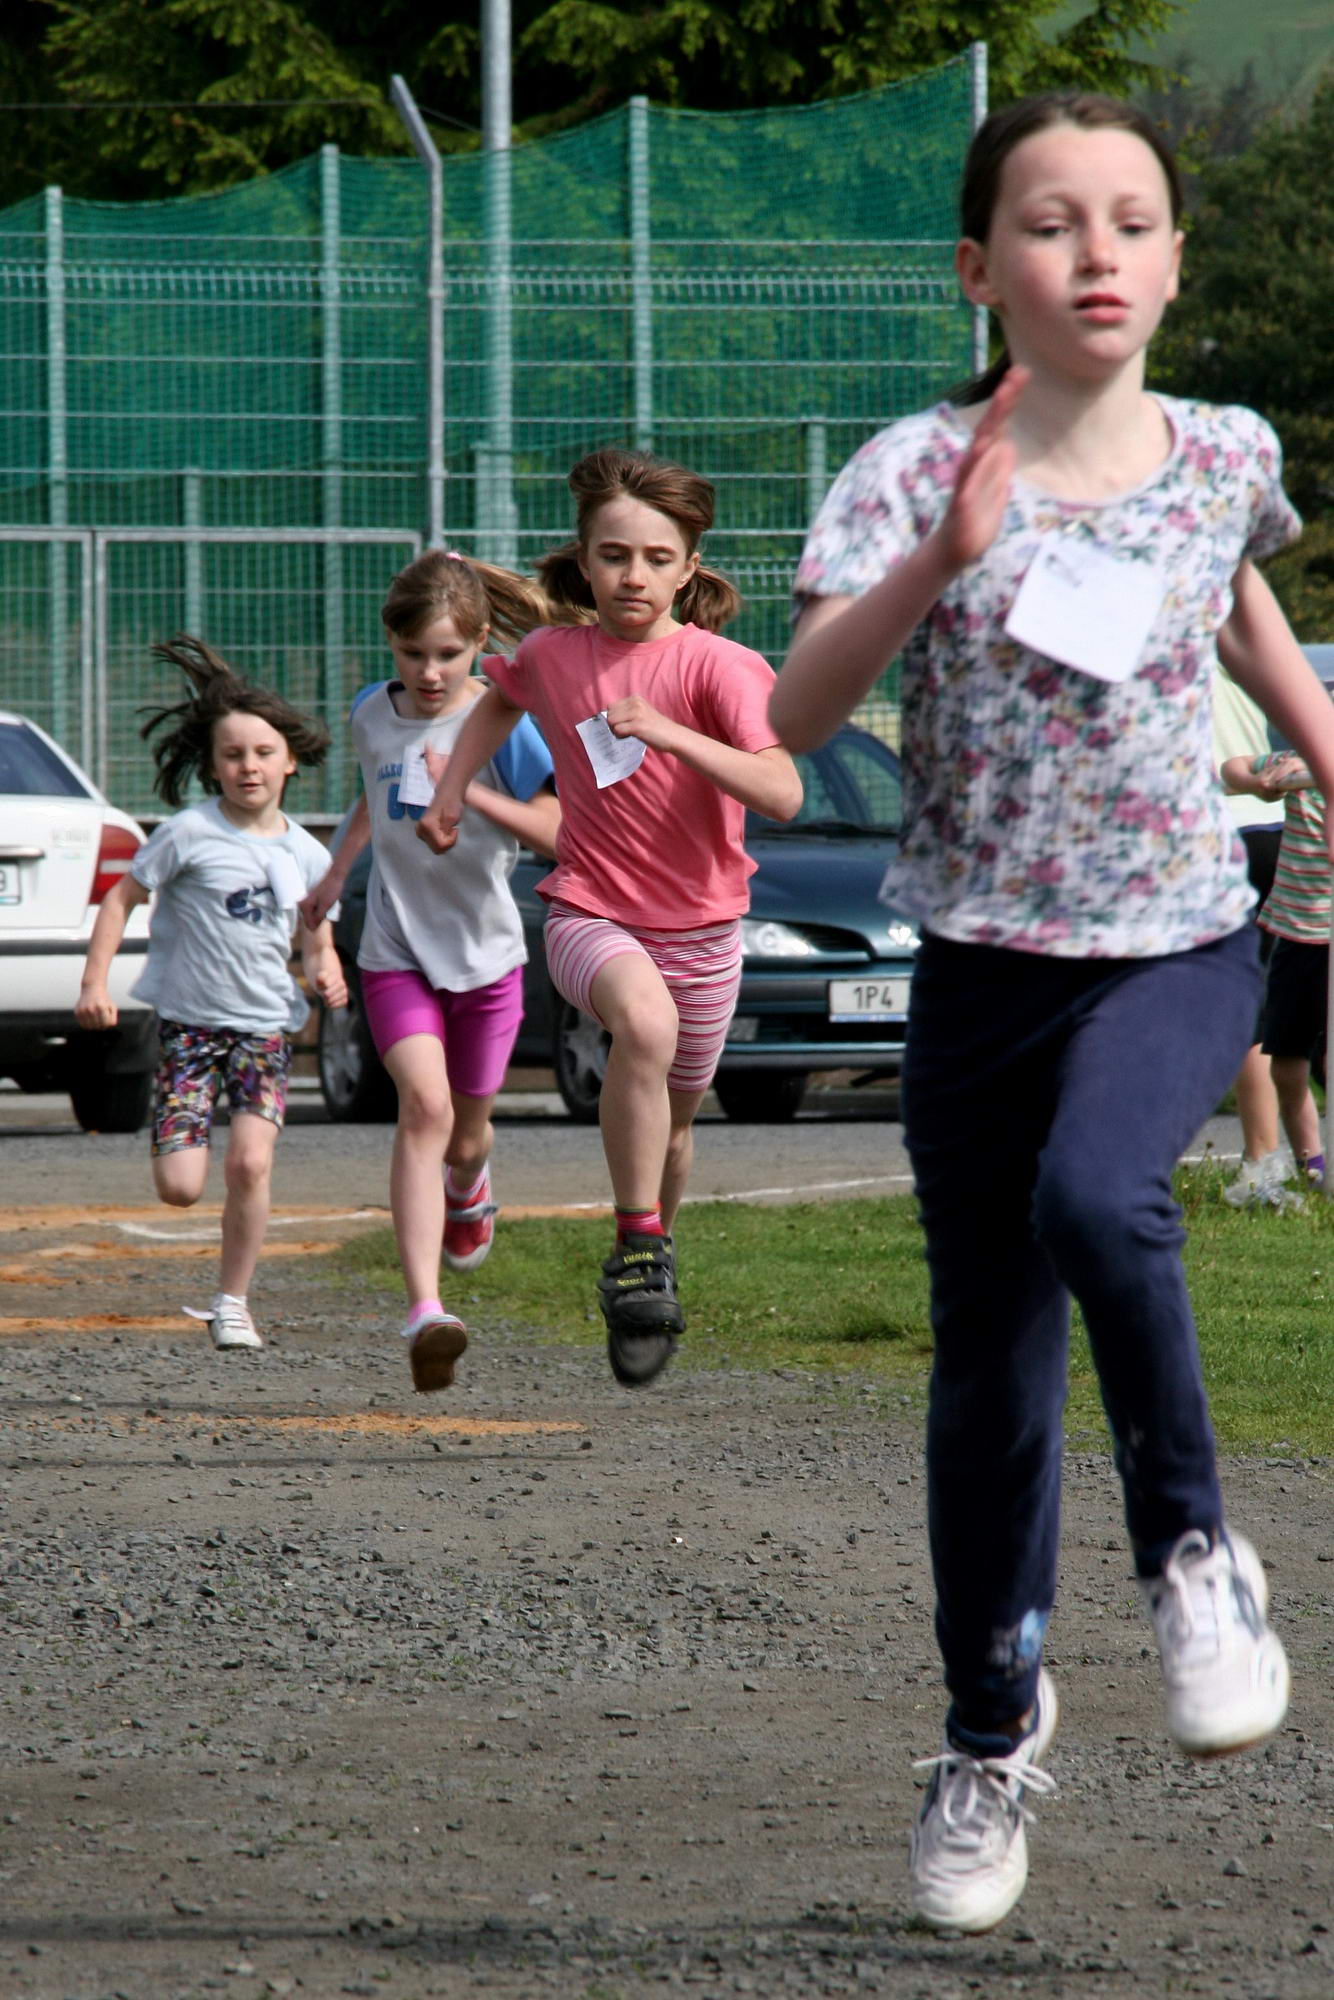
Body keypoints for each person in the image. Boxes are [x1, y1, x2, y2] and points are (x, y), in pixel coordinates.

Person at [769, 92, 1334, 1937]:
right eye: (1048, 221)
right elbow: (790, 717)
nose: (1094, 250)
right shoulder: (904, 472)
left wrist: (1326, 751)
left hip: (1173, 940)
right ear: (976, 267)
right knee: (988, 1381)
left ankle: (1194, 1553)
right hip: (979, 973)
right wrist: (938, 558)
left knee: (1103, 1196)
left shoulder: (1221, 451)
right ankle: (988, 1730)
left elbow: (1234, 606)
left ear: (1170, 266)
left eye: (1130, 220)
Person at [416, 448, 802, 1388]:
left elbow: (782, 792)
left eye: (657, 558)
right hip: (591, 910)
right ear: (584, 563)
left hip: (704, 929)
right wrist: (454, 788)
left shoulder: (722, 667)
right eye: (615, 555)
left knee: (674, 1126)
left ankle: (649, 1257)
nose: (634, 575)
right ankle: (637, 1244)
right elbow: (499, 699)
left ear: (689, 567)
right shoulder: (556, 656)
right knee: (645, 1026)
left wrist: (671, 732)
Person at [300, 550, 561, 1394]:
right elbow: (371, 797)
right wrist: (338, 872)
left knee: (467, 1132)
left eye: (448, 654)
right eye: (414, 653)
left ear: (481, 643)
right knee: (424, 1106)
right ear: (391, 644)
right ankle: (425, 1312)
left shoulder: (504, 721)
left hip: (486, 958)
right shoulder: (370, 711)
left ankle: (470, 1184)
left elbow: (556, 831)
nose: (430, 671)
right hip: (396, 951)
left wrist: (463, 791)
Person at [76, 638, 347, 1351]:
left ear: (290, 761)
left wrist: (326, 969)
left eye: (262, 753)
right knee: (181, 1188)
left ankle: (233, 1302)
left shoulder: (307, 853)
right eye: (233, 755)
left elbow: (316, 935)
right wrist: (94, 982)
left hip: (264, 1030)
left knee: (250, 1163)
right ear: (212, 765)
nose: (248, 766)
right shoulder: (188, 833)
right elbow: (120, 899)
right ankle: (179, 1147)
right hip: (191, 1031)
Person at [1213, 673, 1317, 1204]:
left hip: (1220, 829)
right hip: (1274, 837)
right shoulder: (1233, 641)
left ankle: (1262, 1158)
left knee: (1251, 1016)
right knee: (1283, 1032)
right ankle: (1304, 1164)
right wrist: (1264, 779)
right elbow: (1237, 762)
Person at [1242, 740, 1330, 1188]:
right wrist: (1263, 781)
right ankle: (1312, 1171)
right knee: (1287, 1063)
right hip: (1298, 937)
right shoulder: (1299, 766)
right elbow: (1233, 767)